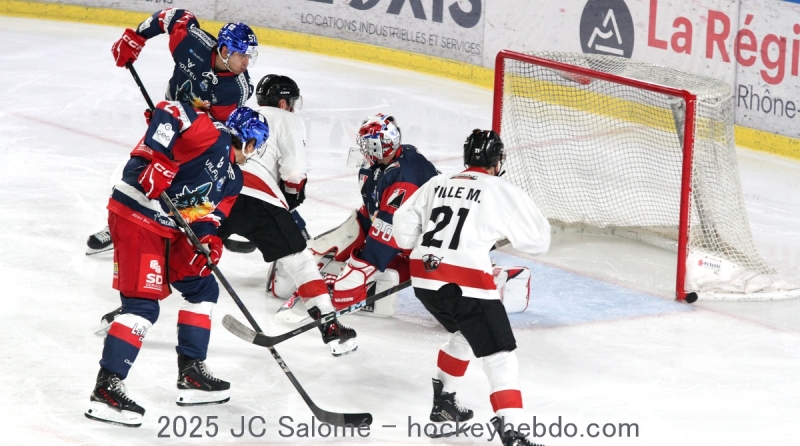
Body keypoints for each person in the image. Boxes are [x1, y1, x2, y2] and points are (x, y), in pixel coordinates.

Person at [84, 103, 268, 428]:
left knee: (203, 286)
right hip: (136, 214)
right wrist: (158, 158)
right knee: (142, 307)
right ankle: (107, 388)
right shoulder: (209, 134)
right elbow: (170, 109)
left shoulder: (233, 180)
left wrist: (210, 243)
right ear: (250, 142)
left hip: (167, 229)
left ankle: (192, 372)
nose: (254, 153)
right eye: (256, 147)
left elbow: (206, 220)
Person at [392, 129, 551, 446]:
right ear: (496, 160)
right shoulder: (501, 189)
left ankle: (444, 404)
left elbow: (403, 232)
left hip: (424, 277)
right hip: (466, 283)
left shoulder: (437, 183)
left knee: (465, 332)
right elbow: (538, 242)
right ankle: (513, 431)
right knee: (500, 355)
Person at [86, 8, 258, 254]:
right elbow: (173, 16)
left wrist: (178, 127)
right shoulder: (193, 42)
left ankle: (169, 230)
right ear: (224, 50)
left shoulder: (237, 88)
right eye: (242, 55)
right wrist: (137, 37)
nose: (246, 63)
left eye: (250, 57)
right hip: (171, 116)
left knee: (177, 184)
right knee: (138, 170)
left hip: (195, 135)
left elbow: (219, 128)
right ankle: (117, 227)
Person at [216, 74, 358, 357]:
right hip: (260, 198)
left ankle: (138, 304)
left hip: (221, 190)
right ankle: (330, 328)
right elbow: (293, 172)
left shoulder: (240, 114)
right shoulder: (288, 119)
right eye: (291, 102)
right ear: (283, 102)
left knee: (194, 249)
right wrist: (293, 195)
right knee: (300, 260)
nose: (292, 107)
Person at [270, 113, 440, 319]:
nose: (363, 149)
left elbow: (388, 231)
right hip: (403, 237)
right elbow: (372, 218)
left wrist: (356, 274)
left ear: (379, 146)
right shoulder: (387, 164)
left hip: (425, 255)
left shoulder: (405, 178)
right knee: (345, 234)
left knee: (350, 284)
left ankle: (352, 285)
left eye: (368, 144)